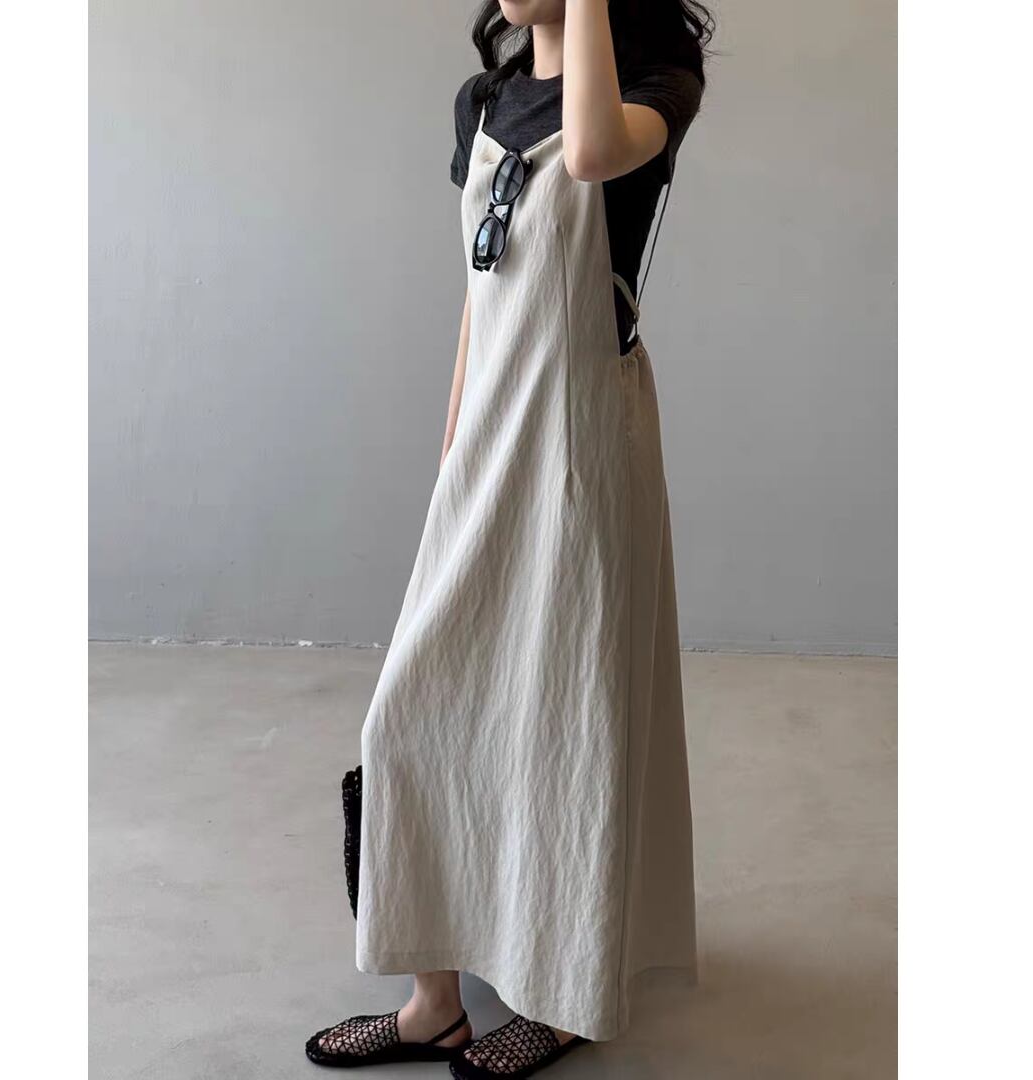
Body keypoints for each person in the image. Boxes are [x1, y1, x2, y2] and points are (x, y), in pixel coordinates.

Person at [307, 1, 712, 1075]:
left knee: (566, 716)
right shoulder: (483, 102)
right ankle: (432, 1002)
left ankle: (565, 995)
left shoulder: (653, 91)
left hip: (583, 439)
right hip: (492, 432)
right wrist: (454, 452)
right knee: (411, 713)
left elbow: (590, 156)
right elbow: (477, 295)